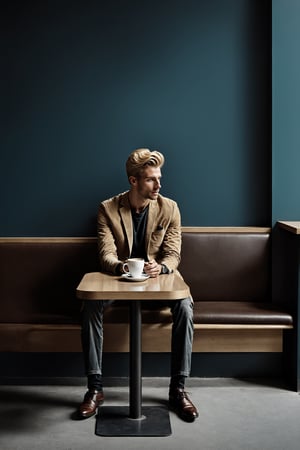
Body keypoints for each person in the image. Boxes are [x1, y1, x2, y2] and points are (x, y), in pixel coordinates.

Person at [78, 148, 198, 422]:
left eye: (159, 178)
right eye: (151, 179)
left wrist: (162, 266)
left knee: (185, 307)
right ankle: (95, 389)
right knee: (89, 306)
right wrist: (122, 267)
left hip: (158, 283)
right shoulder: (108, 208)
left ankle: (178, 389)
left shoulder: (170, 208)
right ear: (134, 181)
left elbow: (173, 254)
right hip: (118, 282)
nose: (159, 185)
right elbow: (106, 253)